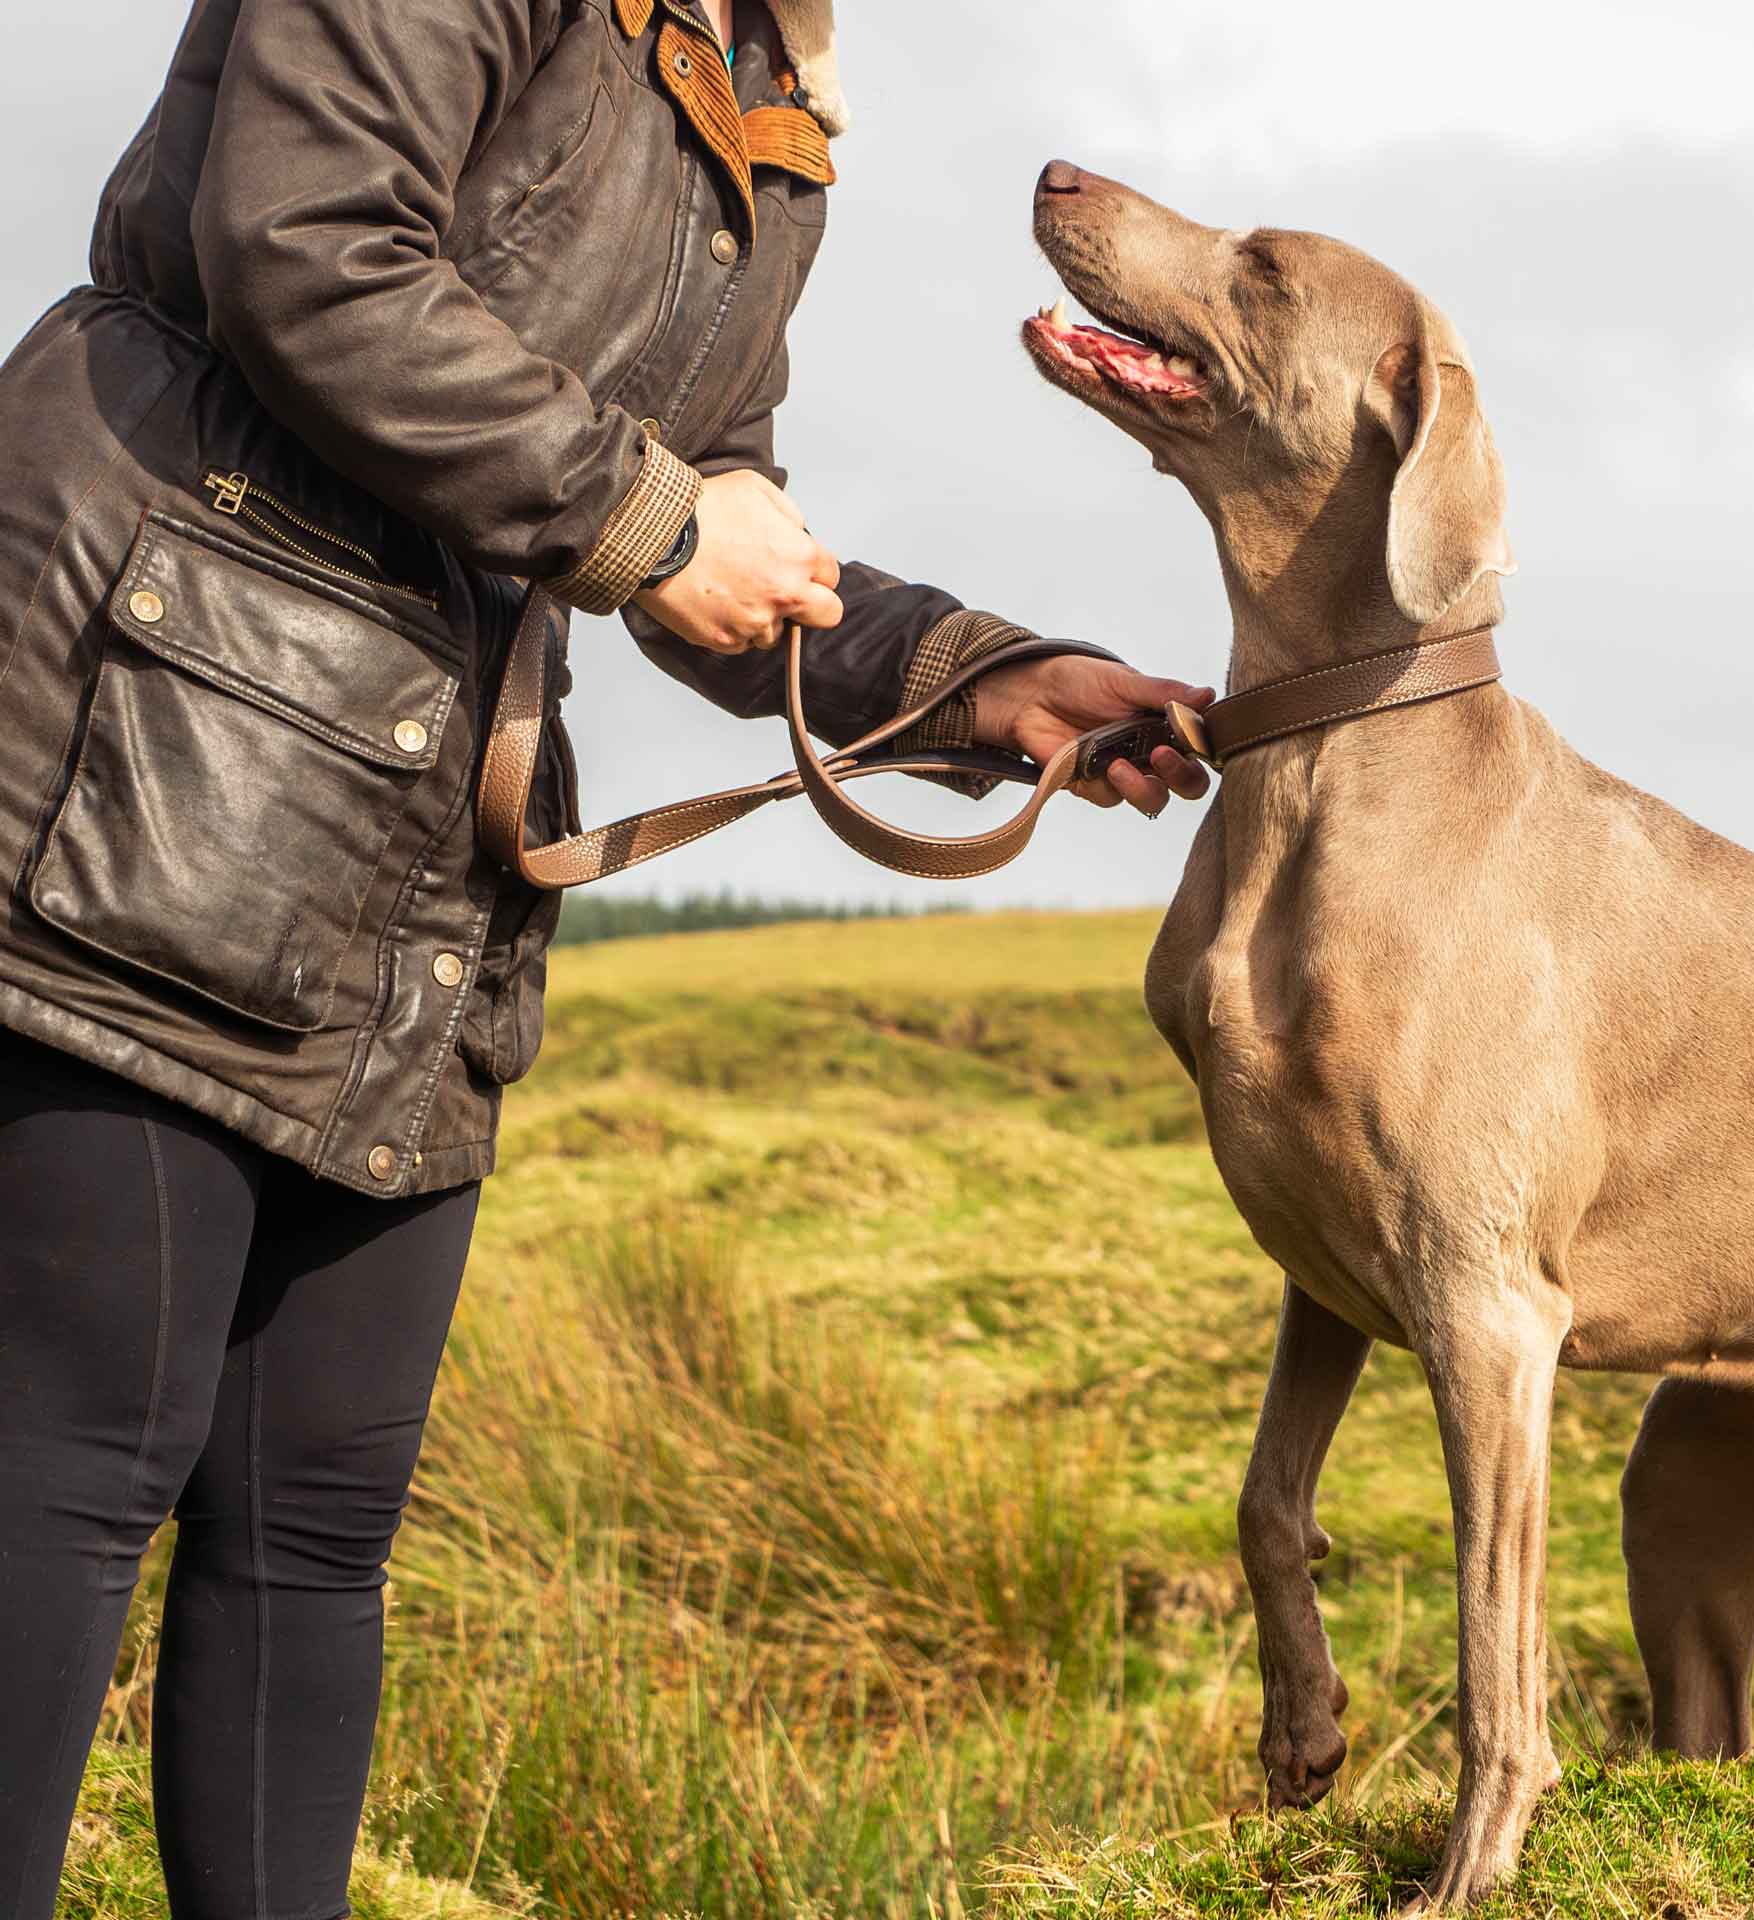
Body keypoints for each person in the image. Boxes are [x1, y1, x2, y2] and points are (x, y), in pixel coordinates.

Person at [0, 0, 1212, 1913]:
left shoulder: (773, 96)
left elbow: (717, 507)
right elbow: (309, 243)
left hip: (413, 866)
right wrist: (651, 524)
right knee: (63, 1479)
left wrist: (977, 679)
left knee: (314, 1529)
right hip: (161, 749)